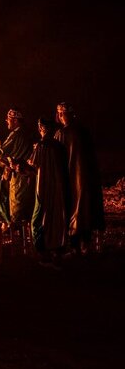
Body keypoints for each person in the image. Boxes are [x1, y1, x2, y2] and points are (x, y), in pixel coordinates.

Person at [54, 102, 105, 255]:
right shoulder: (83, 131)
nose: (61, 116)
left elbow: (57, 158)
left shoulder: (62, 134)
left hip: (71, 179)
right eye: (59, 113)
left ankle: (77, 245)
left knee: (74, 209)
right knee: (85, 209)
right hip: (85, 179)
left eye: (62, 113)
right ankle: (84, 243)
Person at [21, 117, 69, 266]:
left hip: (44, 188)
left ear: (42, 129)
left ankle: (43, 252)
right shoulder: (59, 146)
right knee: (55, 218)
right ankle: (57, 248)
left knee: (38, 219)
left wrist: (19, 167)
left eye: (40, 127)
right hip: (59, 188)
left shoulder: (42, 146)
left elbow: (33, 167)